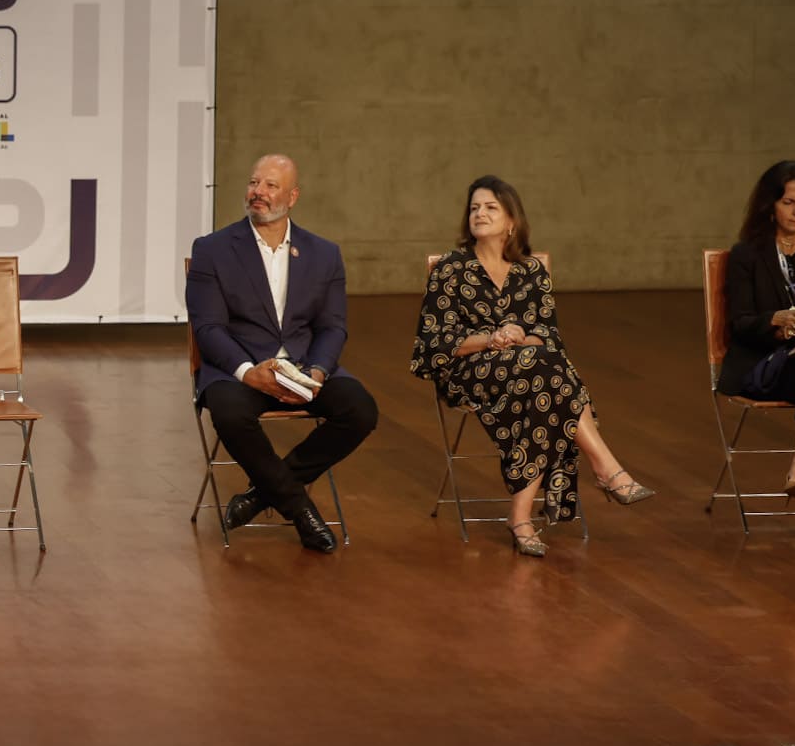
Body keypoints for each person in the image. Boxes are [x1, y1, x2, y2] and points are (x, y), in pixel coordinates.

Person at [410, 175, 654, 558]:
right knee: (551, 379)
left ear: (512, 220)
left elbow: (549, 334)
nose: (479, 214)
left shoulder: (531, 271)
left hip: (530, 374)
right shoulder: (451, 269)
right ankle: (605, 468)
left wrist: (517, 336)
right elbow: (433, 343)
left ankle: (521, 517)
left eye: (490, 207)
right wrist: (491, 339)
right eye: (474, 208)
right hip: (468, 372)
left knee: (542, 383)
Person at [186, 153, 378, 554]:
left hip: (303, 367)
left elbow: (333, 327)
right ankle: (299, 509)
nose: (258, 192)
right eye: (254, 183)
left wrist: (318, 373)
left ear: (292, 197)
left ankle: (261, 495)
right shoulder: (212, 250)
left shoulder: (324, 253)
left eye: (271, 185)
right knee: (229, 414)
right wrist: (247, 371)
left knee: (360, 410)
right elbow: (208, 328)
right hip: (240, 369)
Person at [717, 160, 795, 497]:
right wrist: (775, 322)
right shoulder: (748, 254)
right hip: (764, 364)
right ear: (770, 206)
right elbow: (739, 324)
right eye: (788, 202)